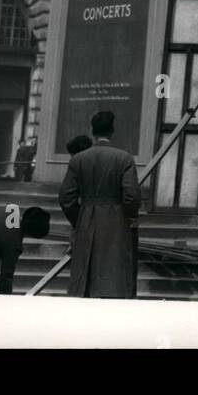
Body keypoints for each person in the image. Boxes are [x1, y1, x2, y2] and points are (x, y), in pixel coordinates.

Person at [58, 111, 141, 299]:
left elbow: (66, 198)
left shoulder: (78, 159)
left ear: (92, 131)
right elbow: (131, 196)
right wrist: (128, 217)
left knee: (85, 281)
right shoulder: (124, 158)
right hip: (117, 223)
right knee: (115, 279)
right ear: (112, 131)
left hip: (86, 219)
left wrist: (80, 219)